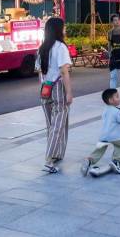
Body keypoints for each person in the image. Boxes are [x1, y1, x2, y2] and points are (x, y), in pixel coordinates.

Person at [36, 17, 73, 174]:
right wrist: (69, 92)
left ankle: (57, 154)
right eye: (63, 27)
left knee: (51, 125)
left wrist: (45, 85)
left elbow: (39, 71)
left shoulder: (42, 48)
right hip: (58, 88)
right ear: (58, 29)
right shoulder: (60, 47)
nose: (65, 30)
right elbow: (64, 71)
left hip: (45, 88)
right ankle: (49, 160)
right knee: (58, 125)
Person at [80, 88, 120, 176]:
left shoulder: (106, 110)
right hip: (115, 136)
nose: (119, 98)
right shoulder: (116, 111)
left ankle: (90, 160)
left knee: (100, 149)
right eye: (117, 97)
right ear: (111, 100)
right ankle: (117, 161)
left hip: (104, 136)